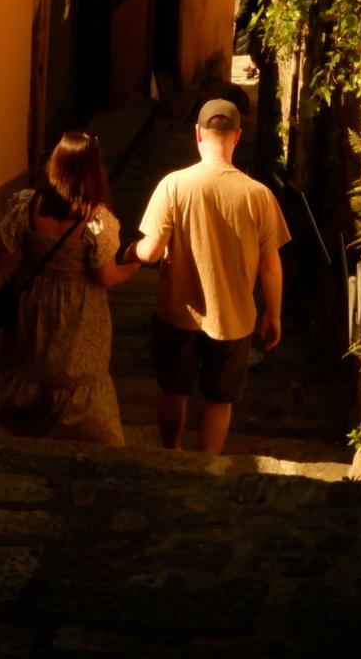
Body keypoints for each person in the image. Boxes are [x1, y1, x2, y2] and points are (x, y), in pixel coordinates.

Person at [121, 98, 289, 454]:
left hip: (177, 312)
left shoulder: (174, 185)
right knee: (219, 399)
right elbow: (271, 264)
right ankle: (207, 466)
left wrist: (128, 252)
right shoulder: (259, 195)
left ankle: (172, 455)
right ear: (238, 136)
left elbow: (150, 252)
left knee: (173, 390)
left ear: (197, 134)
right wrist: (273, 314)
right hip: (234, 318)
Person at [0, 132, 138, 445]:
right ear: (93, 171)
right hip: (79, 308)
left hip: (33, 300)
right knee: (75, 372)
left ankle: (30, 427)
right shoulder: (97, 221)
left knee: (31, 364)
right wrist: (133, 265)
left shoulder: (29, 205)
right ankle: (73, 433)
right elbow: (105, 277)